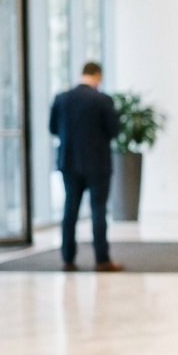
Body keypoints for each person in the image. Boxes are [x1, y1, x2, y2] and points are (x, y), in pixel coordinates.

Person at [49, 61, 122, 272]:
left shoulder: (61, 99)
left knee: (70, 210)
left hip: (69, 162)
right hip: (97, 163)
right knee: (98, 210)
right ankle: (101, 259)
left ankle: (68, 258)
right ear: (98, 75)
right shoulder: (102, 100)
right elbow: (114, 130)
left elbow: (53, 128)